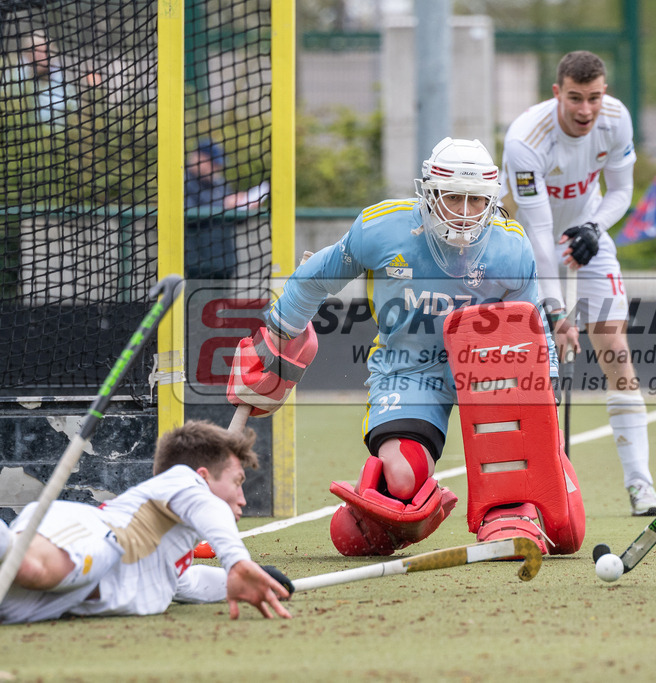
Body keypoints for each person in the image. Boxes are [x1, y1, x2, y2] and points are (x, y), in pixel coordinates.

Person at [227, 137, 585, 557]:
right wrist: (278, 334)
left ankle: (508, 507)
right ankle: (396, 504)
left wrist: (547, 403)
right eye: (454, 198)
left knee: (513, 476)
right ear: (429, 193)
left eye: (476, 201)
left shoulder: (512, 245)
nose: (466, 214)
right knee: (401, 476)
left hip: (489, 372)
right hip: (409, 368)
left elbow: (533, 328)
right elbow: (317, 276)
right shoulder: (381, 228)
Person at [500, 50, 656, 516]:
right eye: (575, 98)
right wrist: (555, 311)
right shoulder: (526, 140)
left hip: (587, 234)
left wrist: (592, 228)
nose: (585, 110)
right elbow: (536, 232)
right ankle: (527, 489)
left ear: (604, 93)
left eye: (594, 98)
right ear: (557, 93)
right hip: (520, 245)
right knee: (530, 361)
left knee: (614, 347)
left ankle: (641, 486)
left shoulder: (616, 121)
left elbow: (620, 192)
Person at [0, 420, 292, 623]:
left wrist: (254, 578)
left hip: (55, 597)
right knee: (31, 567)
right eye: (237, 481)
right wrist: (237, 561)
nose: (242, 498)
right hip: (89, 536)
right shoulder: (183, 481)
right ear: (202, 477)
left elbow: (188, 584)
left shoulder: (173, 543)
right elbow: (205, 505)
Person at [185, 138, 265, 280]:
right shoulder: (182, 182)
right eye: (212, 163)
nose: (216, 168)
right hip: (195, 266)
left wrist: (245, 207)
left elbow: (235, 220)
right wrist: (224, 205)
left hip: (224, 264)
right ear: (198, 157)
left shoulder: (220, 184)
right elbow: (188, 216)